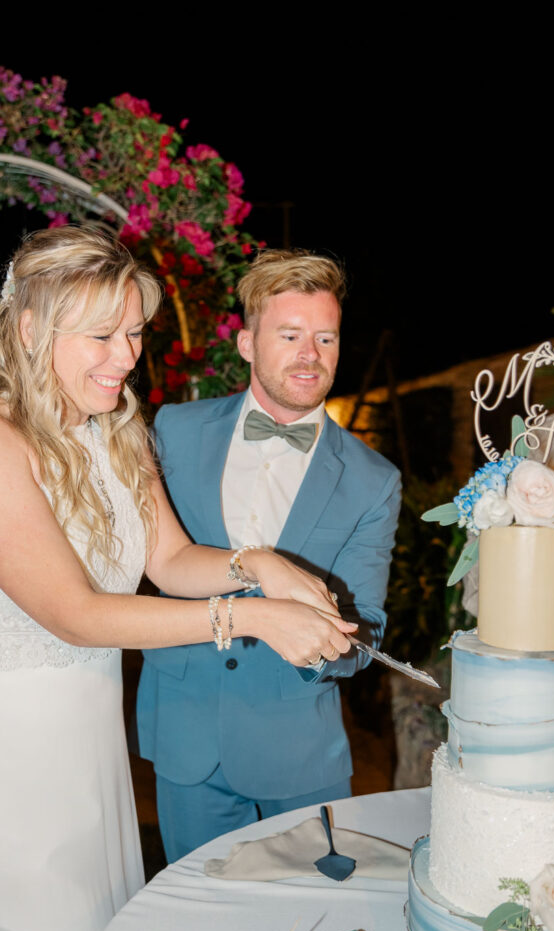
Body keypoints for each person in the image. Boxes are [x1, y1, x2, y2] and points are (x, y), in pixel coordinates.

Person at [0, 227, 356, 931]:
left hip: (80, 752)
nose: (125, 357)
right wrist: (250, 616)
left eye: (134, 333)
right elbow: (75, 614)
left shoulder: (113, 425)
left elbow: (172, 559)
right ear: (29, 329)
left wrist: (263, 564)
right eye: (102, 336)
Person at [138, 248, 401, 862]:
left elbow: (370, 626)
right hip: (186, 732)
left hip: (299, 753)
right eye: (289, 334)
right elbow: (151, 561)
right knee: (196, 927)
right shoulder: (174, 429)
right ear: (247, 343)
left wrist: (324, 645)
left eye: (326, 338)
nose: (310, 355)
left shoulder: (374, 478)